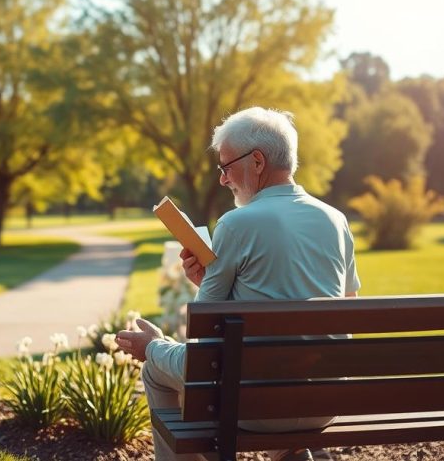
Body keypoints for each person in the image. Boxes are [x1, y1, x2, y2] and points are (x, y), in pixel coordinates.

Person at [117, 106, 360, 461]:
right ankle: (293, 454)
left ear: (257, 162)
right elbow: (348, 308)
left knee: (156, 360)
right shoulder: (336, 221)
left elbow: (205, 339)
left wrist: (154, 345)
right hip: (324, 402)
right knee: (259, 371)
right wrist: (208, 277)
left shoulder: (237, 223)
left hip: (254, 406)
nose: (223, 178)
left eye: (226, 166)